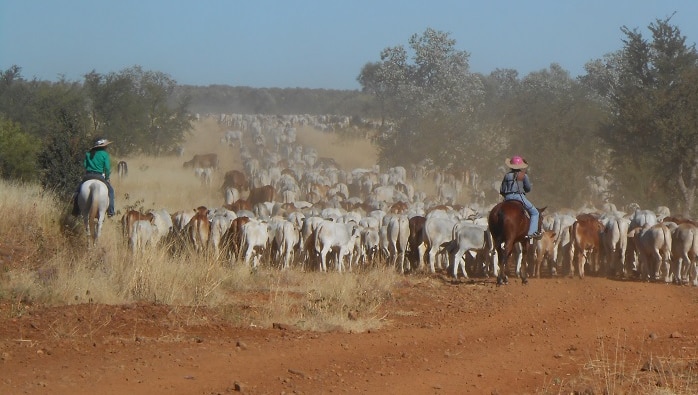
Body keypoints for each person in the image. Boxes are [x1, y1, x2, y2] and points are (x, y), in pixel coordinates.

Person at [499, 155, 542, 240]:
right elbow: (528, 188)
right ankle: (531, 233)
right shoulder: (523, 176)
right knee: (535, 212)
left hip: (507, 197)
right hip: (519, 196)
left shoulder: (507, 176)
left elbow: (502, 189)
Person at [72, 138, 115, 217]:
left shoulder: (88, 153)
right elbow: (107, 168)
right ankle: (111, 211)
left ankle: (76, 210)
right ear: (103, 147)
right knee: (111, 191)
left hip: (88, 176)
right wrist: (107, 177)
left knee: (77, 191)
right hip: (99, 176)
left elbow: (85, 165)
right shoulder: (104, 154)